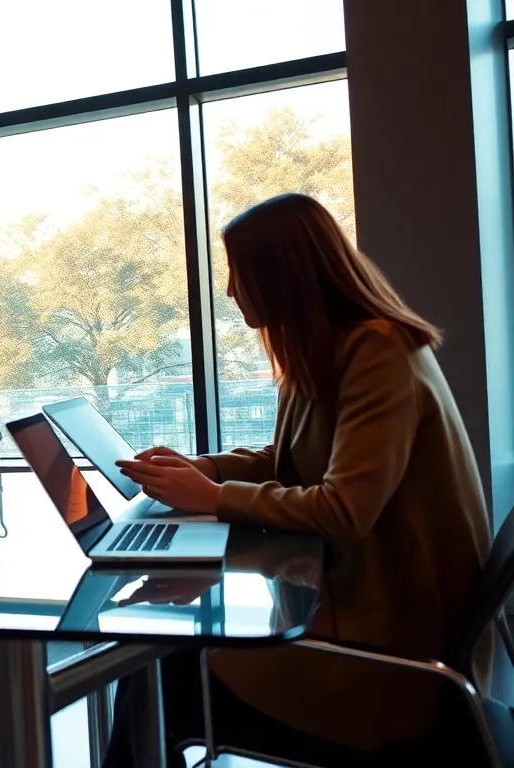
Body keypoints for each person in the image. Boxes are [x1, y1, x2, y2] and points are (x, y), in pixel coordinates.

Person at [109, 193, 492, 764]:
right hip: (353, 609)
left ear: (282, 275)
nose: (233, 289)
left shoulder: (378, 352)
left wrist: (212, 497)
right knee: (160, 658)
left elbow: (344, 509)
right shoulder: (327, 351)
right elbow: (286, 459)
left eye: (240, 272)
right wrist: (205, 469)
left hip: (390, 659)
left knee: (156, 668)